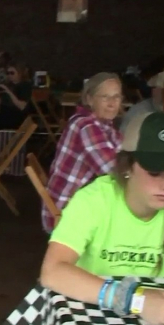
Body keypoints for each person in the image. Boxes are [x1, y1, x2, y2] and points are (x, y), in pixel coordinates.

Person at [40, 111, 164, 325]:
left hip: (152, 314)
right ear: (127, 166)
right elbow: (52, 272)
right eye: (155, 172)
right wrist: (135, 301)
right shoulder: (94, 199)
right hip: (87, 307)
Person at [43, 73, 123, 232]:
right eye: (105, 97)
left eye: (116, 97)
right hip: (67, 214)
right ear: (89, 99)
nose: (112, 103)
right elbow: (114, 170)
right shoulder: (87, 126)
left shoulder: (103, 124)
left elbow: (124, 151)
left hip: (77, 205)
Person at [0, 62, 33, 156]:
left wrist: (8, 91)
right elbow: (3, 103)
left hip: (15, 117)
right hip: (5, 114)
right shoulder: (11, 85)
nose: (9, 76)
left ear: (20, 73)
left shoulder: (24, 86)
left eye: (12, 73)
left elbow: (21, 106)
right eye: (8, 73)